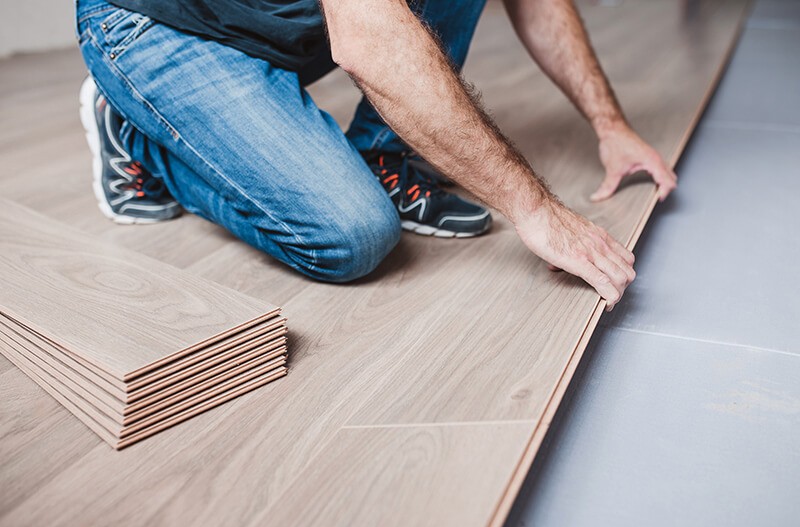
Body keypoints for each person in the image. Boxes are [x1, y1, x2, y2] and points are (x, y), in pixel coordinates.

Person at [74, 0, 676, 310]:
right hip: (158, 25)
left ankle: (383, 155)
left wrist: (609, 123)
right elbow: (368, 38)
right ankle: (142, 136)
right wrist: (536, 210)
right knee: (350, 237)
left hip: (275, 17)